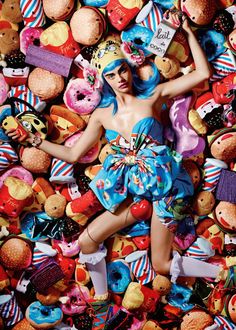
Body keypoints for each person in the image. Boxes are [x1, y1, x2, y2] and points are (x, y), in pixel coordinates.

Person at [7, 11, 225, 301]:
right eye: (110, 74)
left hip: (167, 189)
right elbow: (72, 154)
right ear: (103, 79)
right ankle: (101, 304)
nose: (119, 78)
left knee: (160, 265)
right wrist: (34, 140)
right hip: (133, 194)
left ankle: (221, 273)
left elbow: (203, 74)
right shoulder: (101, 115)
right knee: (86, 241)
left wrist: (186, 29)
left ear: (129, 68)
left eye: (121, 70)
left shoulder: (152, 95)